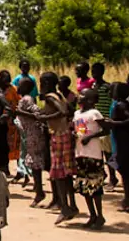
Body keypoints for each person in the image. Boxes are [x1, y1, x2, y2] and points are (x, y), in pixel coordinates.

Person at [38, 73, 76, 222]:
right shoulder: (59, 95)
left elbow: (63, 111)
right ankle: (71, 204)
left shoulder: (50, 97)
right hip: (65, 133)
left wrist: (44, 118)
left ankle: (64, 207)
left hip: (58, 136)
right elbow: (69, 110)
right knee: (67, 172)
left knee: (59, 172)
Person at [73, 89, 107, 229]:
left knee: (95, 187)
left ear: (91, 100)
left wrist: (90, 137)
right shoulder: (77, 114)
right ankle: (92, 214)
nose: (79, 98)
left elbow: (106, 130)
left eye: (83, 97)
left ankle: (99, 215)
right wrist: (77, 136)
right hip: (81, 153)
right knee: (84, 186)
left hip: (93, 154)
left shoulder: (94, 113)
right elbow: (80, 130)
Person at [109, 84, 129, 212]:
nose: (110, 92)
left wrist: (114, 123)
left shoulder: (120, 105)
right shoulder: (126, 104)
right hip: (126, 140)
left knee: (126, 169)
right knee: (128, 170)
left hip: (124, 141)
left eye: (112, 90)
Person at [14, 77, 46, 206]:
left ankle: (39, 192)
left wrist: (19, 112)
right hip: (28, 134)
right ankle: (38, 190)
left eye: (20, 85)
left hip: (33, 134)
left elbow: (37, 114)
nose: (17, 88)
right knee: (33, 162)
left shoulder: (27, 99)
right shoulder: (24, 99)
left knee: (35, 162)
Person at [90, 63, 118, 190]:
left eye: (97, 71)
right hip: (95, 121)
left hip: (105, 121)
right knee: (98, 152)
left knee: (107, 152)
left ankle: (113, 178)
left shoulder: (107, 87)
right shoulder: (92, 86)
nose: (94, 73)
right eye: (93, 71)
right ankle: (104, 175)